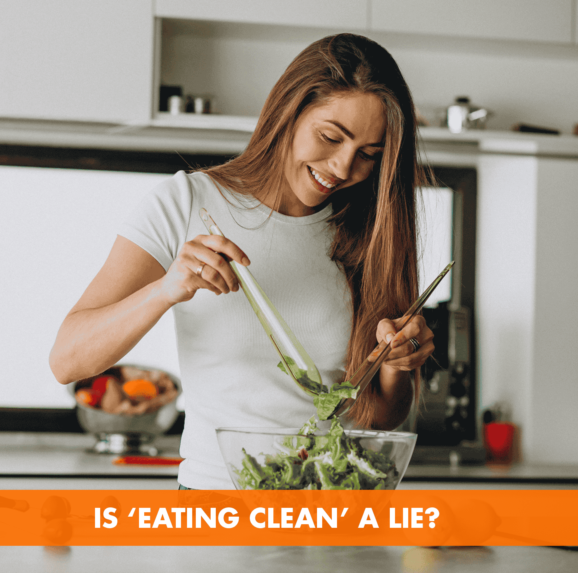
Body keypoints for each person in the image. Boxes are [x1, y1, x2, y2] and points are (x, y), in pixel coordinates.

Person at [49, 33, 435, 490]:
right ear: (289, 112)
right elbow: (68, 360)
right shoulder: (187, 203)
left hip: (331, 510)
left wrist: (395, 365)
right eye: (331, 137)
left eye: (369, 155)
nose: (343, 168)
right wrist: (167, 288)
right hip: (213, 507)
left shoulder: (372, 230)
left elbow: (380, 420)